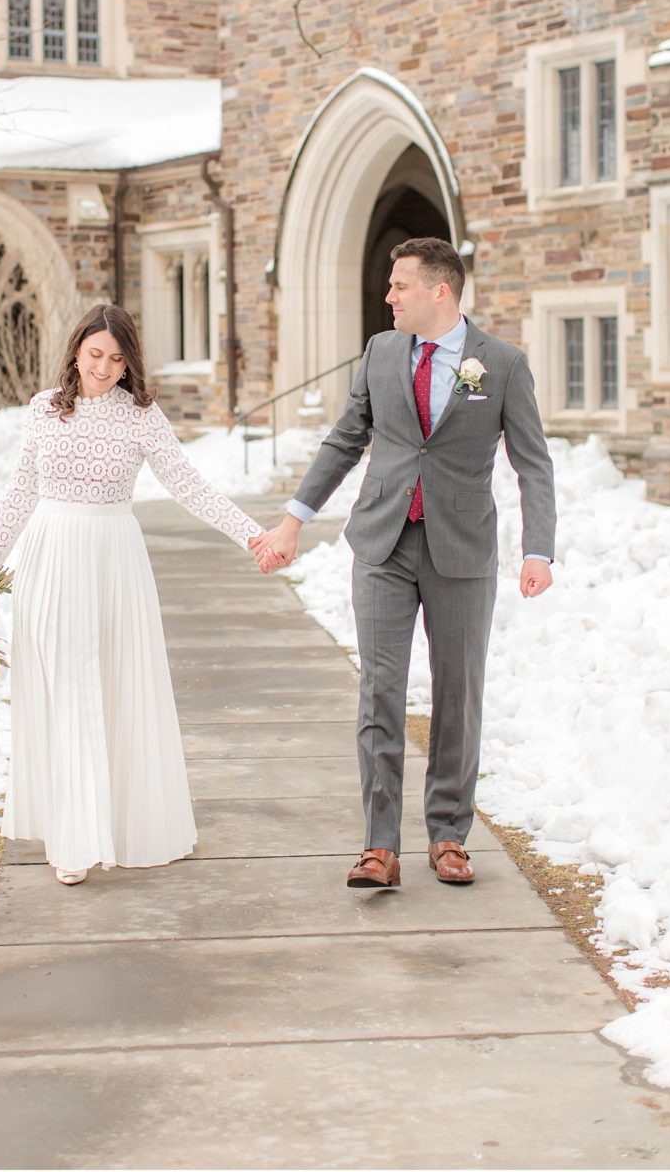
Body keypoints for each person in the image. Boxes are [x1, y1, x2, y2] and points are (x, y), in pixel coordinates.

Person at [251, 238, 556, 891]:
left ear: (438, 291)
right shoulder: (380, 352)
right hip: (383, 544)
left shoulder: (500, 365)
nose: (387, 296)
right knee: (379, 690)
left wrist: (537, 549)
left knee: (457, 694)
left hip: (461, 552)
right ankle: (378, 845)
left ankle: (448, 835)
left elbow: (532, 462)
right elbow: (344, 440)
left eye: (399, 286)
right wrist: (292, 519)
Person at [0, 303, 263, 886]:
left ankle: (116, 823)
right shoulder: (42, 411)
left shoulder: (141, 416)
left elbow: (188, 486)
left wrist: (251, 534)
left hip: (113, 562)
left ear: (129, 364)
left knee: (112, 689)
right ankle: (73, 837)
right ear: (76, 348)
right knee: (66, 693)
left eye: (116, 359)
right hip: (50, 559)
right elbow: (20, 493)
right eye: (95, 354)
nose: (103, 368)